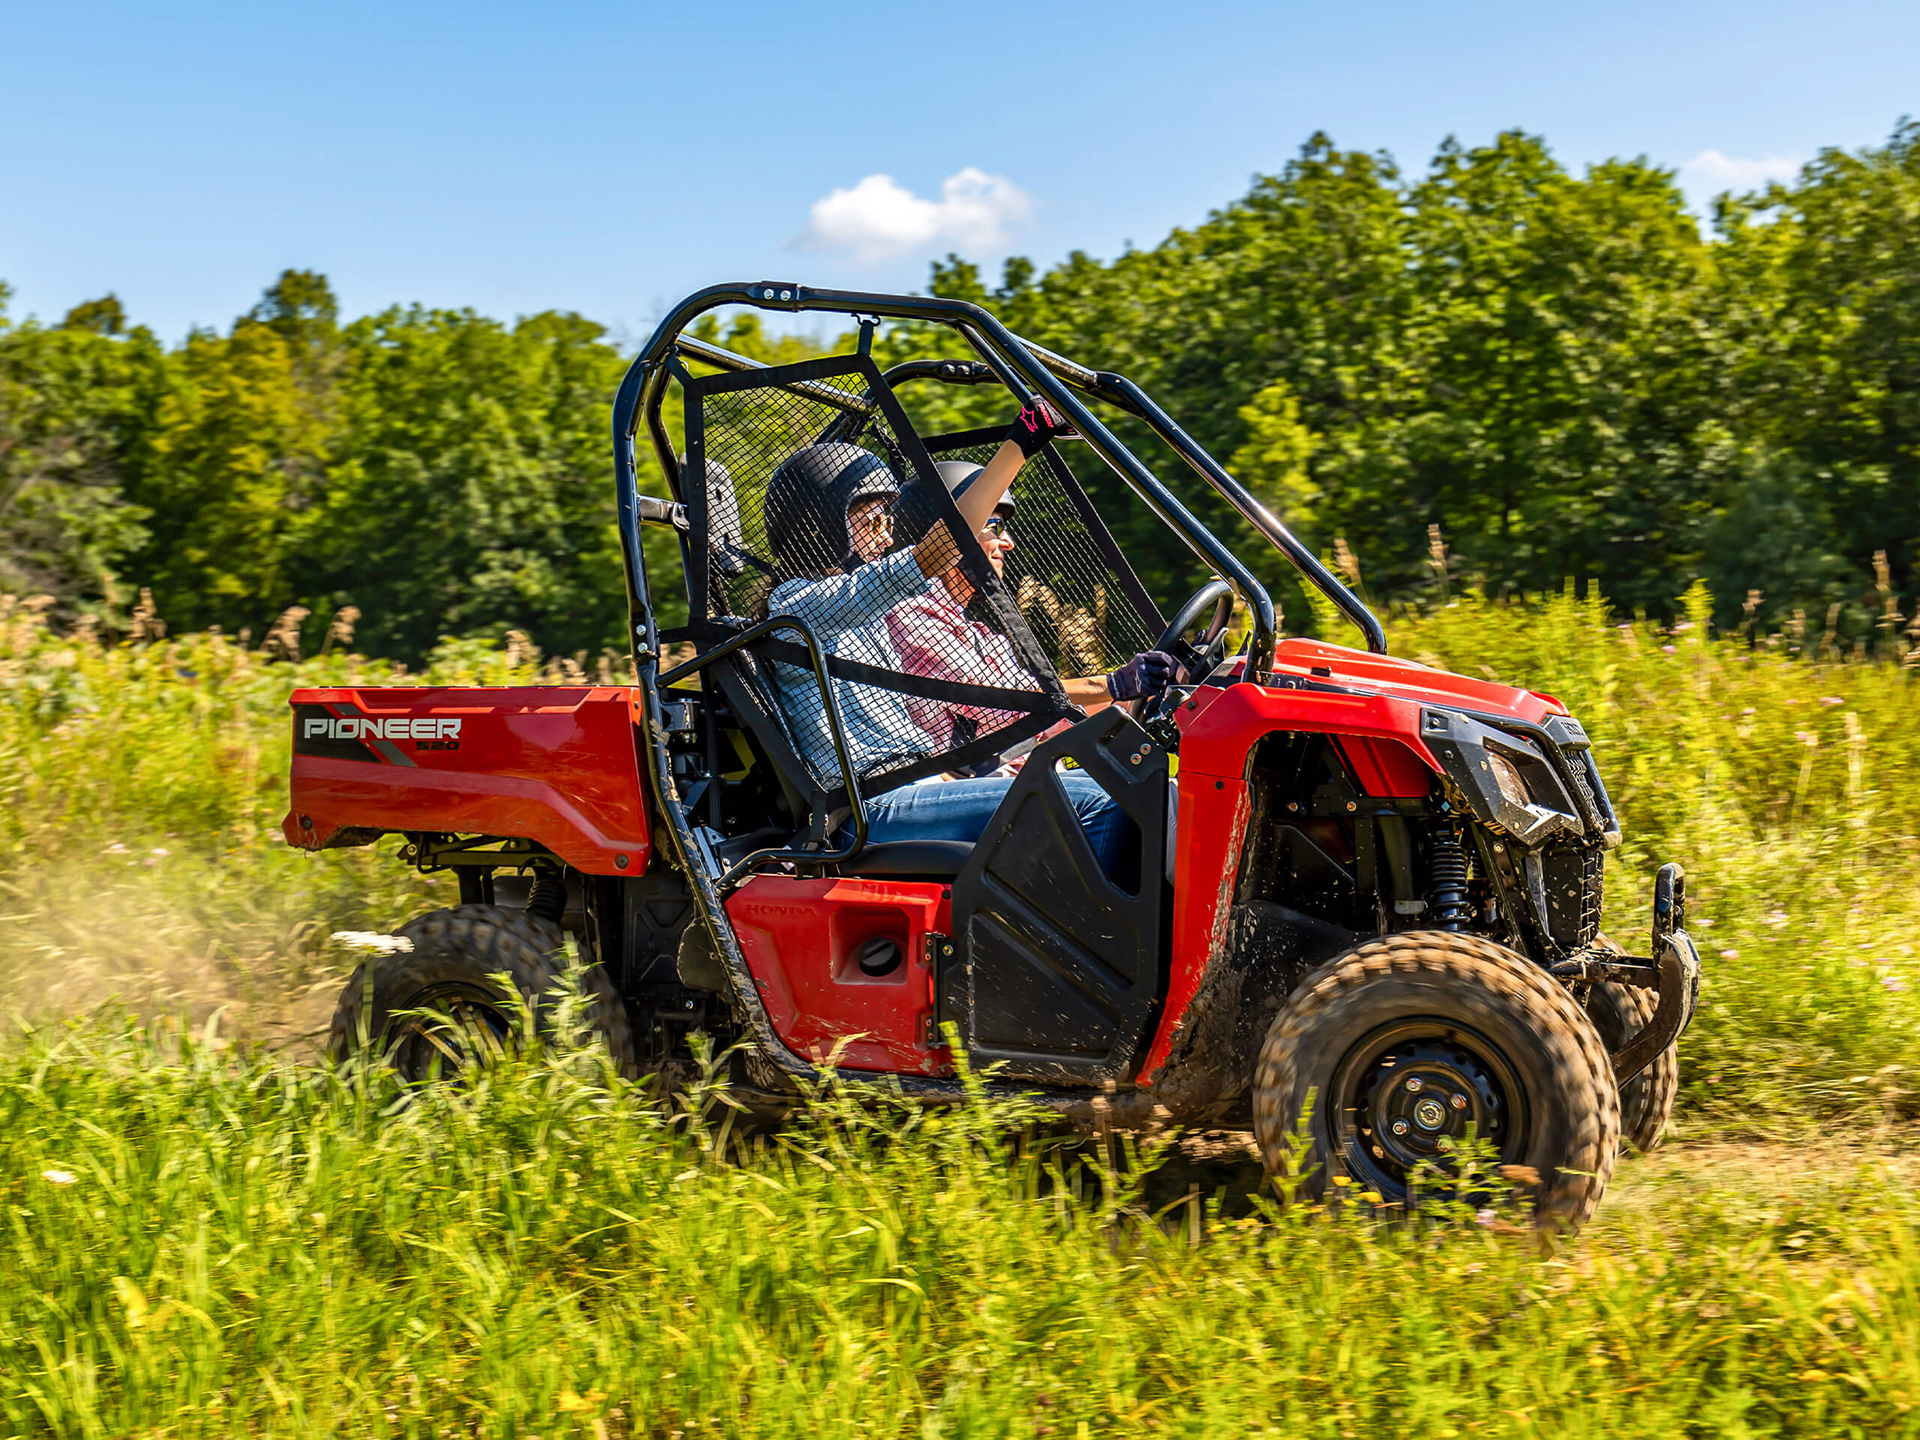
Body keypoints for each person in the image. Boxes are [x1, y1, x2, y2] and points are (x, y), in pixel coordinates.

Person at [758, 401, 1172, 867]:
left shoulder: (865, 612)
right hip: (869, 808)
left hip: (920, 786)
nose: (885, 536)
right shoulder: (794, 607)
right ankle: (1105, 935)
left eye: (888, 522)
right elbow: (935, 557)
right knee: (1108, 806)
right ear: (821, 526)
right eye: (872, 521)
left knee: (1150, 789)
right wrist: (1020, 443)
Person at [886, 459, 1172, 760]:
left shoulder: (974, 633)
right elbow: (1003, 701)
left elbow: (1053, 716)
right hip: (971, 789)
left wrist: (1146, 693)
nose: (1007, 542)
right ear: (946, 536)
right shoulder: (911, 619)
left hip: (1014, 781)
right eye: (993, 526)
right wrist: (1116, 683)